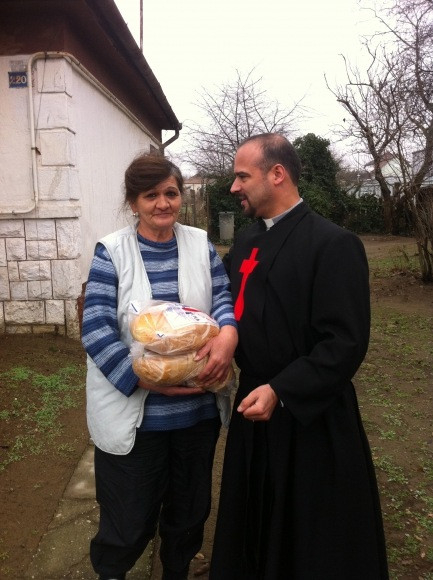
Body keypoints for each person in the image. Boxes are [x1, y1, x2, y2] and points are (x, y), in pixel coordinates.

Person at [209, 133, 389, 579]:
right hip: (254, 402)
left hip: (310, 416)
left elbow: (345, 342)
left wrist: (281, 389)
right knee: (253, 520)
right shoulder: (246, 243)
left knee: (310, 537)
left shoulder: (333, 244)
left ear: (277, 174)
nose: (233, 186)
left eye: (242, 176)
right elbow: (222, 306)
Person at [81, 152, 238, 580]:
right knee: (128, 516)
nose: (163, 203)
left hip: (196, 412)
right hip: (138, 419)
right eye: (151, 196)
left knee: (189, 512)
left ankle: (176, 570)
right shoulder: (112, 251)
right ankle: (112, 572)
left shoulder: (199, 243)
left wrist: (227, 333)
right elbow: (95, 328)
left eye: (171, 193)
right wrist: (143, 378)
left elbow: (222, 297)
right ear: (133, 202)